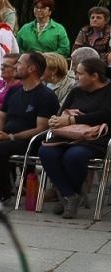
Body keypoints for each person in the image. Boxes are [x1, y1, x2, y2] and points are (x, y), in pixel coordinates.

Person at [0, 51, 57, 200]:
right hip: (6, 136)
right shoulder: (14, 91)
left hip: (28, 141)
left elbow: (41, 128)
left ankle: (3, 190)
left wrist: (11, 137)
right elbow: (1, 117)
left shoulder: (46, 96)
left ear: (31, 69)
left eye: (19, 64)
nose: (15, 67)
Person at [39, 56, 111, 219]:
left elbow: (106, 115)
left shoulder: (108, 91)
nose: (76, 77)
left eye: (80, 74)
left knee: (74, 156)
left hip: (95, 138)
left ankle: (67, 195)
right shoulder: (76, 91)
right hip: (68, 134)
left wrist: (74, 119)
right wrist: (56, 120)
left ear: (95, 76)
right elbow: (63, 111)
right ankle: (69, 194)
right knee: (46, 152)